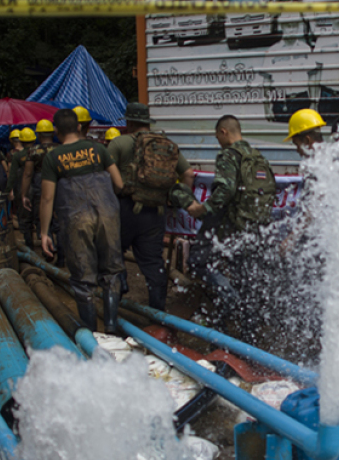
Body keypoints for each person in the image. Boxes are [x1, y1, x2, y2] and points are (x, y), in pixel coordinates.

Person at [186, 115, 277, 329]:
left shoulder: (228, 155)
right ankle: (248, 338)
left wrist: (202, 209)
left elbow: (225, 190)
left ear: (223, 132)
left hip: (232, 227)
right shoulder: (258, 156)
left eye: (217, 135)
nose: (217, 139)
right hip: (255, 227)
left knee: (198, 261)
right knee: (245, 281)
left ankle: (228, 307)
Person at [38, 108, 124, 332]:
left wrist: (45, 232)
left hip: (76, 218)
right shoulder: (99, 149)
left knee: (83, 278)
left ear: (56, 131)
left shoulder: (53, 157)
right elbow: (119, 184)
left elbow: (47, 198)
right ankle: (112, 327)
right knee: (112, 271)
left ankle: (91, 334)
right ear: (78, 127)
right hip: (107, 214)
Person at [107, 102, 195, 310]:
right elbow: (188, 174)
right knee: (154, 264)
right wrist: (174, 199)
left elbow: (107, 178)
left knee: (113, 254)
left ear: (128, 121)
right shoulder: (166, 144)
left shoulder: (118, 143)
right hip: (156, 211)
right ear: (147, 122)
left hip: (125, 209)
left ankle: (117, 299)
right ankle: (158, 315)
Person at [22, 120, 59, 252]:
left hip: (40, 184)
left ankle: (49, 250)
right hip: (59, 184)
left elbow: (27, 174)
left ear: (39, 135)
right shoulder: (60, 149)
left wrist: (24, 194)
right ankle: (62, 255)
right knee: (59, 219)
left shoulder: (33, 151)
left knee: (42, 216)